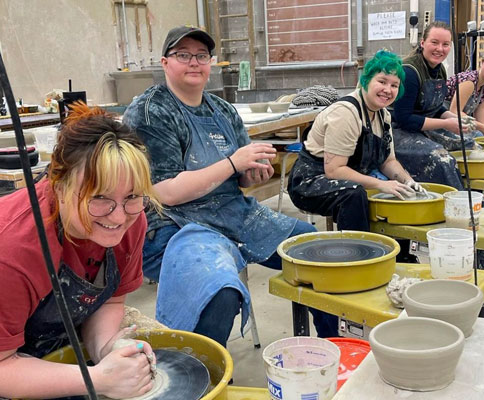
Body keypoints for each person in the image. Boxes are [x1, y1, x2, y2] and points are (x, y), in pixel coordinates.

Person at [123, 26, 338, 347]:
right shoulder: (151, 112)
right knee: (218, 294)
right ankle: (203, 377)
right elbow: (163, 191)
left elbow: (240, 176)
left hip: (233, 214)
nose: (194, 62)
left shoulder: (221, 110)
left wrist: (252, 173)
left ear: (211, 63)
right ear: (165, 63)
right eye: (183, 55)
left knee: (320, 254)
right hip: (173, 225)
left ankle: (333, 347)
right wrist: (235, 163)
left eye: (201, 56)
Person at [0, 103, 160, 399]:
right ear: (58, 186)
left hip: (56, 339)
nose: (117, 217)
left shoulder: (129, 220)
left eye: (132, 197)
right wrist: (96, 379)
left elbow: (110, 303)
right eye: (99, 198)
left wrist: (106, 350)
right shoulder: (12, 250)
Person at [287, 50, 422, 261]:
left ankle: (400, 257)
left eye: (394, 85)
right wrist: (380, 185)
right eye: (382, 81)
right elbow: (334, 170)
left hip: (350, 174)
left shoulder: (382, 114)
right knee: (355, 194)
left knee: (400, 191)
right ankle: (357, 259)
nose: (388, 90)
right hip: (310, 180)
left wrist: (408, 181)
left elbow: (388, 161)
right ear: (367, 80)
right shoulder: (346, 113)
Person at [393, 21, 472, 190]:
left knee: (470, 145)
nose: (440, 49)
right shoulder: (409, 71)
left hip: (423, 128)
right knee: (442, 159)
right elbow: (404, 118)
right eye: (434, 42)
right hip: (398, 131)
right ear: (423, 43)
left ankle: (472, 194)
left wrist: (455, 119)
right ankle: (453, 203)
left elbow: (434, 107)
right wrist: (446, 124)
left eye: (445, 44)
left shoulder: (440, 68)